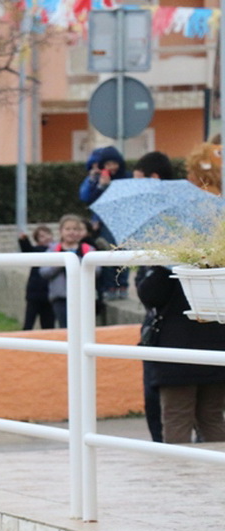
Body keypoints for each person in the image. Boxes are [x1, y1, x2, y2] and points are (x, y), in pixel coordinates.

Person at [136, 268, 225, 443]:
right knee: (212, 417)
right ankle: (217, 468)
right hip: (216, 347)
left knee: (177, 417)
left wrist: (157, 267)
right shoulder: (217, 262)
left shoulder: (167, 268)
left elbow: (149, 296)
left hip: (176, 352)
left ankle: (179, 468)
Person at [132, 150, 175, 442]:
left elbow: (152, 293)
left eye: (138, 181)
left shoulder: (164, 224)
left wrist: (145, 275)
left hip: (168, 331)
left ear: (154, 178)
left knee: (168, 413)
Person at [79, 146, 128, 300]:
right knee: (107, 253)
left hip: (122, 222)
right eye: (108, 164)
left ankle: (123, 285)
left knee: (124, 254)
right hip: (104, 223)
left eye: (115, 163)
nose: (112, 167)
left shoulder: (125, 178)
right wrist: (100, 185)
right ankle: (109, 287)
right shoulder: (97, 180)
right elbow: (88, 199)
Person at [39, 214, 94, 328]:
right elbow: (44, 272)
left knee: (84, 328)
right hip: (60, 297)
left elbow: (97, 271)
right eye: (68, 229)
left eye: (75, 229)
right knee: (65, 328)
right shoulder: (53, 250)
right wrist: (63, 262)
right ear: (60, 231)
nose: (71, 232)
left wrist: (78, 261)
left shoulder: (88, 249)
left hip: (83, 296)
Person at [18, 225, 55, 330]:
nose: (46, 237)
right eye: (42, 236)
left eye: (48, 234)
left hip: (50, 293)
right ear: (37, 240)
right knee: (29, 323)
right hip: (34, 294)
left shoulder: (56, 250)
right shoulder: (37, 250)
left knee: (48, 324)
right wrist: (24, 240)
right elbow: (28, 250)